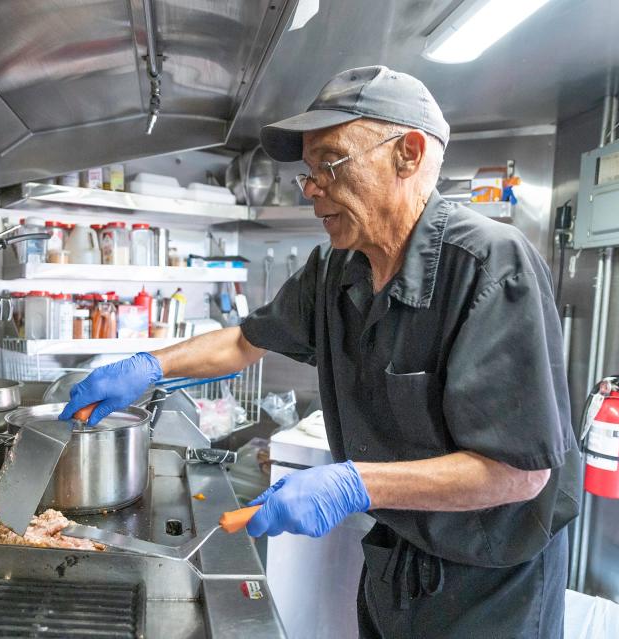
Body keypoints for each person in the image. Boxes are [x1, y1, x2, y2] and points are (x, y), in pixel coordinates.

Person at [60, 65, 580, 638]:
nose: (310, 187)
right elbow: (243, 340)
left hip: (490, 585)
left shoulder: (487, 265)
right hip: (395, 557)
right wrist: (150, 367)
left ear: (407, 153)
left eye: (329, 163)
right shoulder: (337, 268)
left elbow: (519, 474)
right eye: (307, 172)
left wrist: (353, 484)